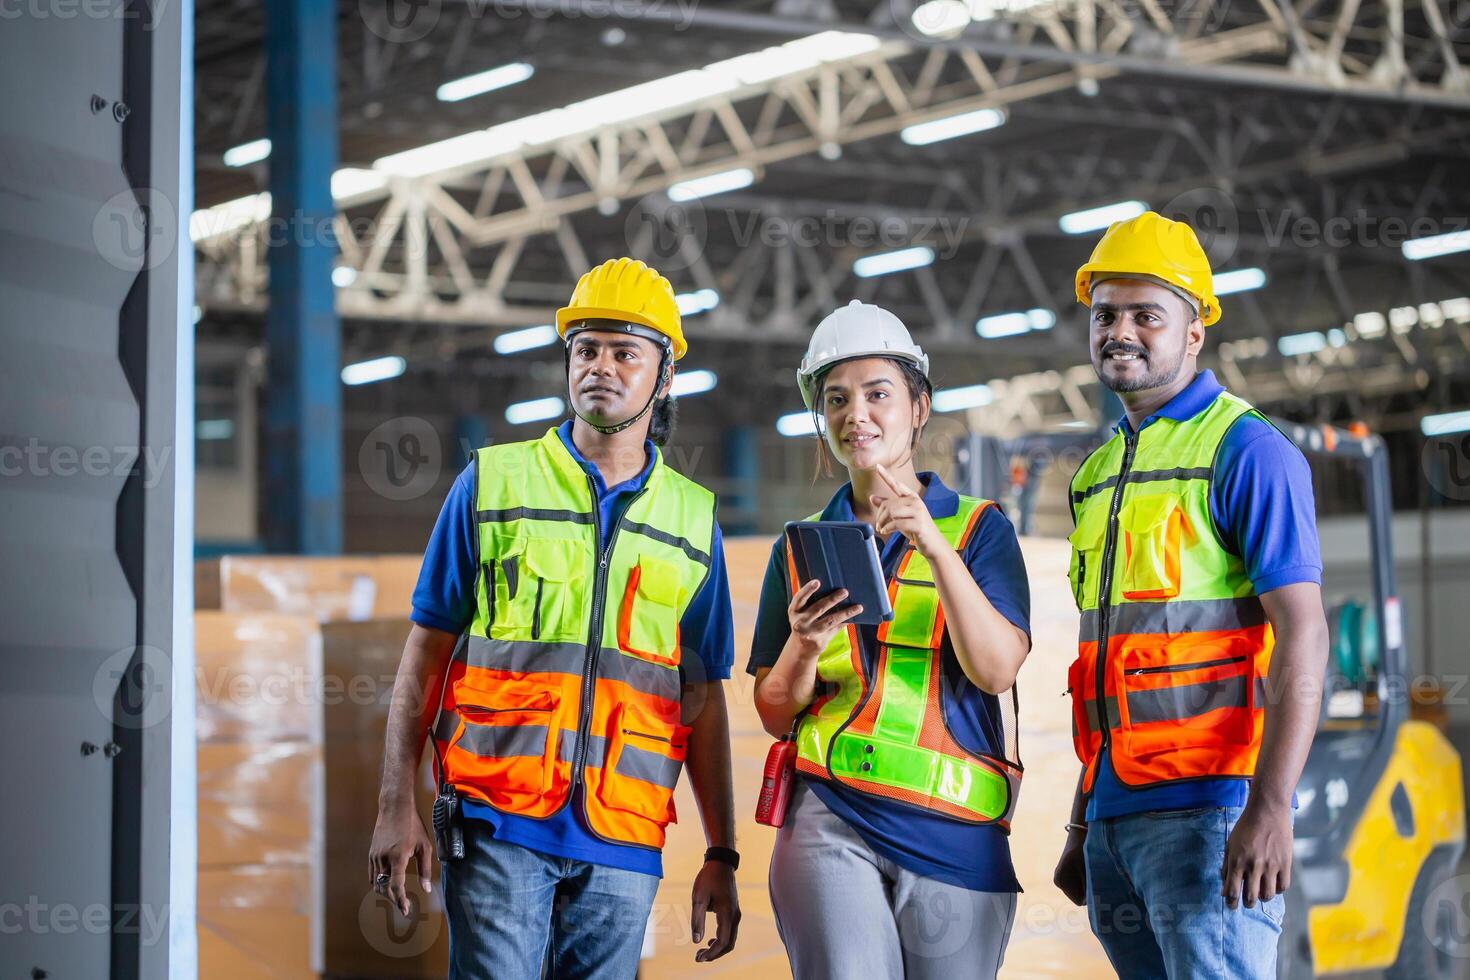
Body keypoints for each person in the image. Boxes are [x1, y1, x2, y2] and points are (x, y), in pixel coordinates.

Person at [370, 257, 741, 978]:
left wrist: (721, 852)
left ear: (663, 377)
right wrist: (396, 803)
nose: (600, 366)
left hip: (624, 839)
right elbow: (426, 651)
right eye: (585, 349)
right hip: (498, 823)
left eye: (625, 352)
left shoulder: (695, 521)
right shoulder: (492, 483)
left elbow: (703, 696)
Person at [1051, 212, 1329, 978]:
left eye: (1148, 315)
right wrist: (1082, 824)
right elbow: (1112, 659)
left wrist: (1270, 807)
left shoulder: (1248, 451)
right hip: (1114, 818)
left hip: (1212, 812)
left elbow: (1304, 634)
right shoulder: (1098, 472)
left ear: (1194, 332)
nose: (1121, 331)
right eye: (1106, 314)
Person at [748, 300, 1031, 979]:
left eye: (878, 394)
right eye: (837, 399)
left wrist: (933, 546)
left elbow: (995, 672)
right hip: (829, 817)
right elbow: (773, 711)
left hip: (955, 831)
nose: (857, 415)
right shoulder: (800, 548)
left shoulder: (979, 531)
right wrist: (806, 647)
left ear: (919, 406)